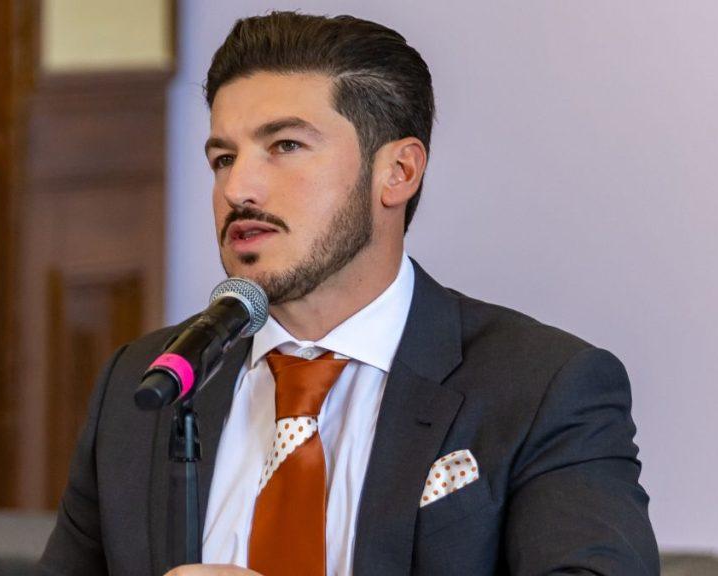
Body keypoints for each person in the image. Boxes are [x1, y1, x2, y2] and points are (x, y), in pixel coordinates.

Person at [38, 12, 659, 576]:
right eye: (223, 158)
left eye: (285, 146)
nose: (239, 188)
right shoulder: (147, 383)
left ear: (398, 172)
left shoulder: (542, 388)